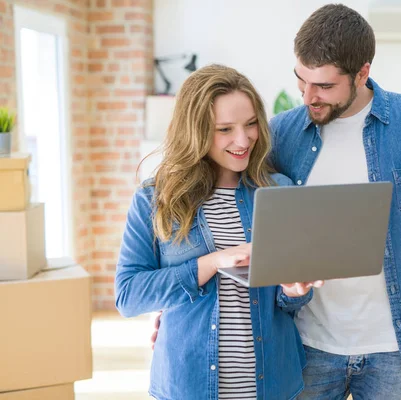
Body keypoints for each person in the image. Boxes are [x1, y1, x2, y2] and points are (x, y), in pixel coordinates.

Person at [267, 4, 401, 399]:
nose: (308, 96)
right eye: (301, 80)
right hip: (307, 346)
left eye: (324, 86)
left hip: (395, 349)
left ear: (362, 73)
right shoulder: (282, 134)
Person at [115, 64, 321, 400]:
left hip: (272, 385)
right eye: (225, 129)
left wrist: (295, 290)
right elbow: (128, 296)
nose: (243, 140)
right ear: (195, 131)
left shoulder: (279, 191)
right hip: (189, 386)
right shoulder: (155, 199)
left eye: (251, 124)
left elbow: (287, 302)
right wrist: (210, 263)